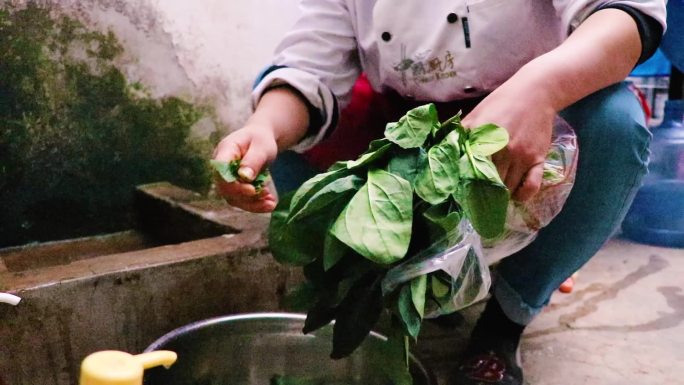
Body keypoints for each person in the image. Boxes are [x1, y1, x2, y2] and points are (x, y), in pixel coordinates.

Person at [213, 1, 666, 384]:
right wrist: (264, 128)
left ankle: (504, 322)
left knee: (616, 127)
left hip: (536, 104)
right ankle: (398, 286)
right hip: (408, 122)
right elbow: (310, 66)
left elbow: (625, 16)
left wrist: (540, 90)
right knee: (294, 146)